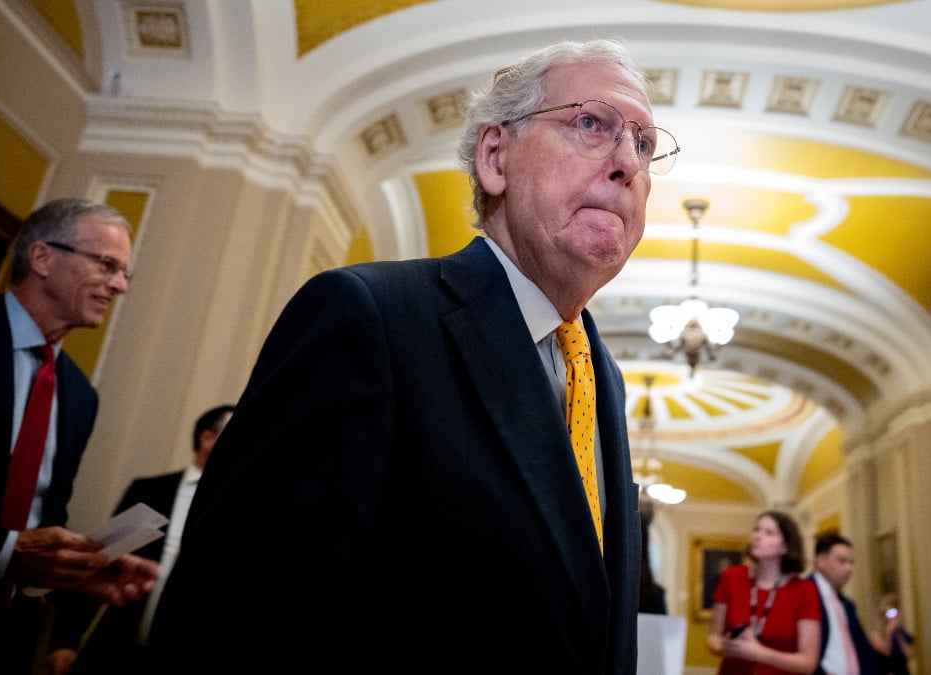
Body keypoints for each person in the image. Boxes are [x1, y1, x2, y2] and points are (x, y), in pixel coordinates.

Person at [146, 38, 675, 675]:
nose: (626, 162)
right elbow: (232, 623)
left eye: (644, 143)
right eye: (590, 123)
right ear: (495, 157)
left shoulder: (603, 376)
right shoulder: (368, 317)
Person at [0, 197, 159, 674]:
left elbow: (43, 521)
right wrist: (5, 552)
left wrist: (75, 576)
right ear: (41, 258)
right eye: (106, 265)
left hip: (6, 636)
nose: (118, 285)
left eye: (123, 273)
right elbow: (16, 543)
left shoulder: (79, 395)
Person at [44, 404, 234, 675]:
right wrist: (65, 642)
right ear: (206, 438)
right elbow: (102, 559)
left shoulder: (238, 506)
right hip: (119, 650)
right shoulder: (151, 491)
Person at [707, 510, 821, 674]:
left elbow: (808, 663)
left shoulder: (804, 590)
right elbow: (713, 636)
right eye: (756, 529)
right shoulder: (731, 577)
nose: (757, 536)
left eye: (769, 533)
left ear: (785, 547)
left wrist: (758, 653)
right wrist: (725, 645)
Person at [809, 533, 877, 675]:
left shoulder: (847, 605)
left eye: (851, 562)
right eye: (842, 561)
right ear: (821, 561)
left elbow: (864, 651)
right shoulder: (805, 596)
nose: (848, 569)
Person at [869, 593, 914, 675]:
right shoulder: (876, 634)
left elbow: (909, 653)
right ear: (883, 615)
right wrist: (889, 632)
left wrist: (898, 634)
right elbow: (886, 651)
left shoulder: (900, 633)